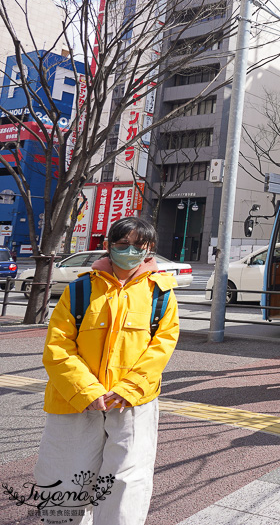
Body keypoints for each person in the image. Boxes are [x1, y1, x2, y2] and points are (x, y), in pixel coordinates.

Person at [36, 217, 180, 525]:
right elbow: (57, 348)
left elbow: (161, 349)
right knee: (64, 480)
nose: (130, 251)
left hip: (131, 404)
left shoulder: (161, 294)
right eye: (122, 244)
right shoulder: (80, 289)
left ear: (150, 249)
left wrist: (128, 390)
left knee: (126, 486)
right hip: (74, 402)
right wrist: (87, 391)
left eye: (138, 245)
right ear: (108, 246)